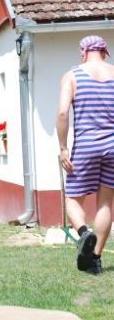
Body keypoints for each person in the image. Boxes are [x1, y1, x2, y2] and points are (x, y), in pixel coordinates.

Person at [56, 35, 114, 275]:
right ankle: (95, 260)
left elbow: (62, 114)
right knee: (105, 202)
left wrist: (63, 148)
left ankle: (83, 233)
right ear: (104, 52)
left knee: (72, 199)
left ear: (83, 52)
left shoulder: (72, 76)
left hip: (86, 145)